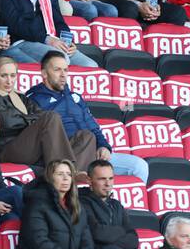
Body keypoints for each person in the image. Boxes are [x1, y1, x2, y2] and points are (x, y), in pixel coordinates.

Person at [28, 50, 148, 180]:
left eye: (65, 70)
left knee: (139, 166)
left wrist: (103, 146)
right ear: (44, 73)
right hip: (67, 155)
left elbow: (93, 127)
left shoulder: (76, 98)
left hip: (93, 152)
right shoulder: (34, 99)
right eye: (57, 70)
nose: (63, 75)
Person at [0, 56, 98, 169]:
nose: (9, 81)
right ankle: (58, 172)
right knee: (51, 117)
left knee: (86, 136)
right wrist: (32, 120)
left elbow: (39, 113)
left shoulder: (17, 95)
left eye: (13, 75)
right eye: (4, 76)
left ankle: (71, 174)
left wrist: (29, 119)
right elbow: (9, 122)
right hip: (6, 149)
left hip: (28, 144)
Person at [79, 160, 142, 249]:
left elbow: (133, 241)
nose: (108, 184)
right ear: (89, 181)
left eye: (111, 178)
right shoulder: (81, 202)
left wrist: (109, 236)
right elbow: (97, 233)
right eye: (102, 179)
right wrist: (121, 230)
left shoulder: (116, 205)